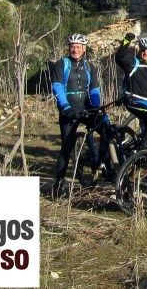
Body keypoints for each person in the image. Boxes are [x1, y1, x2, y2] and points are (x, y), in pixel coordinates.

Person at [50, 33, 106, 197]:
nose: (75, 49)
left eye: (78, 47)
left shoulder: (90, 67)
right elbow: (57, 87)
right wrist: (65, 107)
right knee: (66, 148)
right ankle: (58, 185)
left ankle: (100, 161)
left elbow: (95, 89)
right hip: (69, 108)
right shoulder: (62, 64)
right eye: (72, 47)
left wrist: (96, 108)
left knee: (106, 130)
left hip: (86, 106)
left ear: (84, 49)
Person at [115, 33, 147, 151]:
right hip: (134, 101)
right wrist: (126, 41)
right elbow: (119, 57)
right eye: (143, 50)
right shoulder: (133, 63)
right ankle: (140, 149)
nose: (146, 53)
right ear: (139, 50)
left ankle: (145, 159)